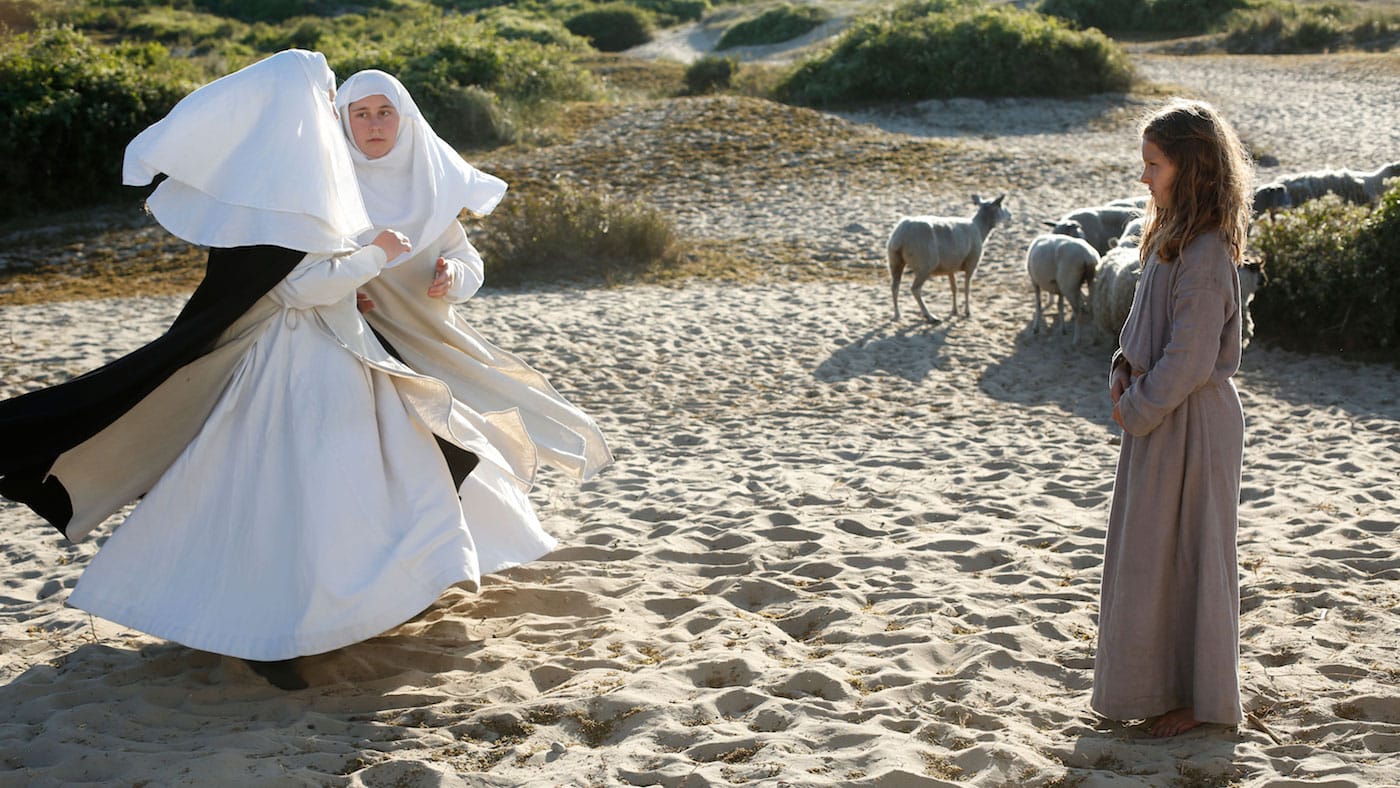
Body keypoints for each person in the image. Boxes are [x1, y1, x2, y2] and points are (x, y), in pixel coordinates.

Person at [0, 50, 528, 690]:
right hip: (294, 361)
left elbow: (307, 278)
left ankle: (381, 597)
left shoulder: (294, 175)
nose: (340, 109)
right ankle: (274, 634)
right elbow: (296, 289)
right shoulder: (286, 186)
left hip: (332, 348)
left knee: (364, 473)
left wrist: (356, 282)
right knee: (294, 491)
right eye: (332, 95)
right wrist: (374, 259)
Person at [332, 69, 612, 505]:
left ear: (403, 117)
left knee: (454, 436)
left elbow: (468, 261)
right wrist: (342, 288)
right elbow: (307, 265)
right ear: (343, 121)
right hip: (355, 340)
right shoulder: (331, 191)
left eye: (385, 112)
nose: (374, 124)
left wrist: (453, 277)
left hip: (430, 337)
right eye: (362, 113)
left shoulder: (429, 184)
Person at [1092, 98, 1252, 737]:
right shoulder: (1166, 237)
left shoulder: (1209, 250)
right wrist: (1123, 365)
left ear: (1191, 167)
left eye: (1153, 165)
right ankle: (1159, 688)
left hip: (1193, 423)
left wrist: (1136, 407)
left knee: (1193, 557)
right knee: (1153, 560)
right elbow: (1147, 330)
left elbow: (1189, 358)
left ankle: (1200, 702)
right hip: (1160, 421)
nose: (1144, 178)